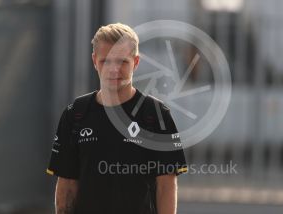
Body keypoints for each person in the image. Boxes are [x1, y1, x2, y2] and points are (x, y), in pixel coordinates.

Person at [46, 23, 188, 214]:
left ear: (135, 62)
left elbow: (166, 186)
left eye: (122, 62)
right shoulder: (75, 114)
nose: (114, 70)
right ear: (95, 61)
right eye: (106, 61)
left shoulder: (157, 115)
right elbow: (67, 185)